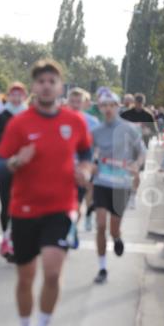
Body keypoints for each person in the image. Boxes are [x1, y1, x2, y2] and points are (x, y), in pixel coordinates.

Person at [0, 59, 93, 326]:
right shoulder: (19, 123)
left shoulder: (74, 121)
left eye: (52, 81)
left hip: (61, 207)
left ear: (60, 87)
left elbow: (86, 153)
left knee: (52, 273)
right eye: (41, 81)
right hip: (24, 209)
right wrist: (17, 161)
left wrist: (85, 171)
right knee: (25, 277)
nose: (47, 86)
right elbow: (1, 163)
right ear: (34, 87)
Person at [91, 90, 146, 284]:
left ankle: (116, 238)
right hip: (101, 182)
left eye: (111, 105)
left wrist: (136, 165)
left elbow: (142, 151)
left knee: (113, 228)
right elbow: (87, 153)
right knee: (100, 225)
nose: (108, 109)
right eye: (104, 105)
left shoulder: (129, 128)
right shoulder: (96, 131)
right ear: (100, 108)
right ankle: (102, 268)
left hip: (121, 184)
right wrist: (90, 165)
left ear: (117, 107)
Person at [0, 82, 28, 262]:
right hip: (5, 162)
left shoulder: (29, 115)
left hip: (25, 164)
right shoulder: (2, 116)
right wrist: (10, 136)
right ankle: (6, 236)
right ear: (8, 97)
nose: (16, 98)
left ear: (24, 97)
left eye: (20, 95)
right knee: (6, 204)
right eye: (13, 95)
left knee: (22, 204)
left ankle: (18, 241)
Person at [67, 88, 101, 237]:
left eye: (78, 102)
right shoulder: (60, 118)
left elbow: (98, 144)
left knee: (81, 199)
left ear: (85, 104)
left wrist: (92, 163)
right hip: (63, 167)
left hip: (83, 167)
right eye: (72, 101)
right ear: (67, 102)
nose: (75, 105)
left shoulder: (92, 122)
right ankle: (69, 228)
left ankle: (81, 220)